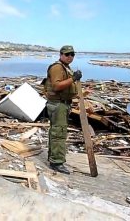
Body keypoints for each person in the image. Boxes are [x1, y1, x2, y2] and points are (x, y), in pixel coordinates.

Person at [45, 45, 82, 174]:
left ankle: (54, 158)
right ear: (61, 55)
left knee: (57, 131)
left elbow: (67, 88)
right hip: (57, 105)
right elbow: (56, 86)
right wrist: (73, 78)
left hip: (63, 104)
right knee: (59, 133)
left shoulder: (66, 68)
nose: (70, 57)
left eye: (72, 54)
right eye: (67, 54)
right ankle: (56, 162)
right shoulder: (57, 67)